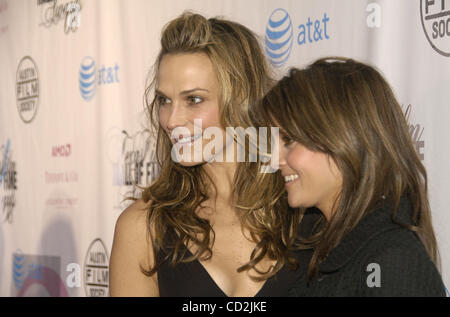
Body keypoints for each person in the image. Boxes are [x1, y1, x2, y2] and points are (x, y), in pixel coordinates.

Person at [109, 12, 311, 297]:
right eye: (165, 100)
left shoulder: (305, 205)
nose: (171, 120)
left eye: (193, 100)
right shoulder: (143, 226)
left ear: (242, 98)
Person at [257, 57, 447, 296]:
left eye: (288, 140)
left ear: (343, 137)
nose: (275, 160)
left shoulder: (391, 263)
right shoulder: (322, 248)